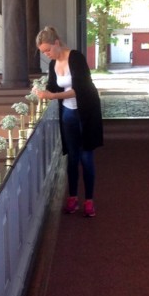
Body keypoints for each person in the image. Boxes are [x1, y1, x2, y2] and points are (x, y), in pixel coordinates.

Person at [35, 25, 104, 217]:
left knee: (86, 156)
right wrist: (40, 92)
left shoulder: (76, 57)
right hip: (68, 113)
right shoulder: (52, 64)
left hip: (86, 111)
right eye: (44, 52)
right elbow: (52, 86)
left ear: (57, 43)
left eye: (48, 50)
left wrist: (52, 96)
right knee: (72, 157)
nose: (47, 54)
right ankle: (72, 197)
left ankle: (89, 200)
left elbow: (81, 89)